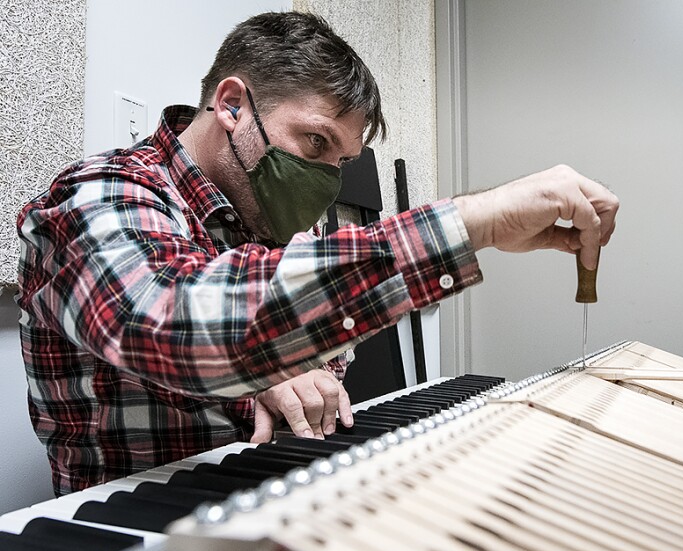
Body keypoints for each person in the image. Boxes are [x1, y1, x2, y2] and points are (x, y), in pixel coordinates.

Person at [17, 11, 618, 496]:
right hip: (131, 533)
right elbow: (175, 319)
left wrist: (273, 370)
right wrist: (478, 220)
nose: (327, 180)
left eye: (341, 161)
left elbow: (317, 364)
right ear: (231, 106)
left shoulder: (263, 221)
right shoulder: (99, 196)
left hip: (267, 512)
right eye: (315, 141)